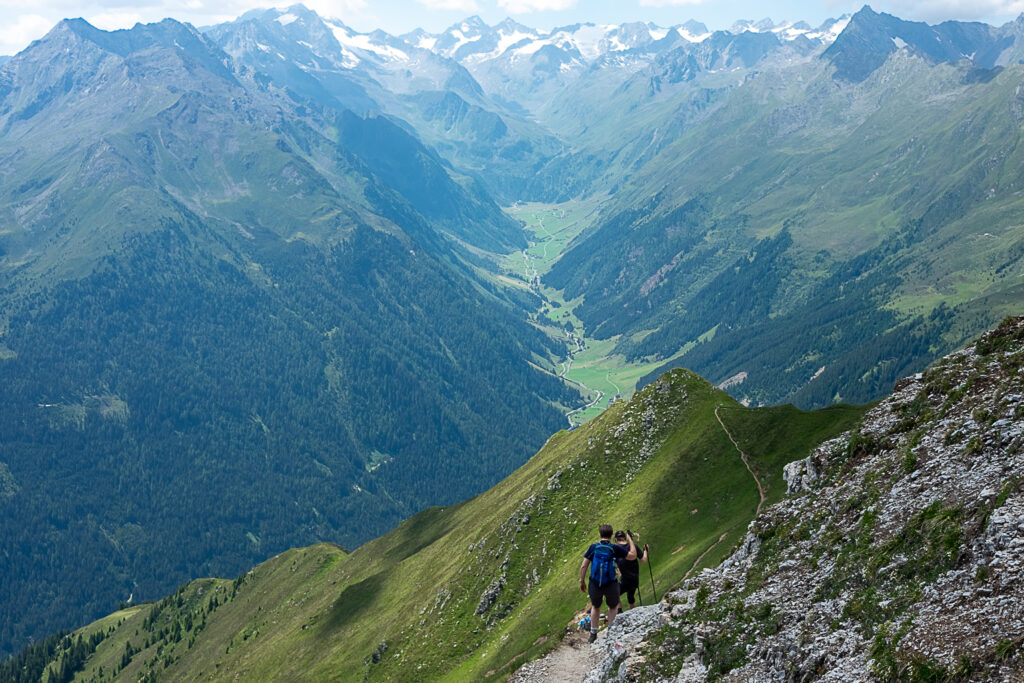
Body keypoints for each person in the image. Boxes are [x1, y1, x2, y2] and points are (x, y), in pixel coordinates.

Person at [579, 523, 636, 643]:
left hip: (595, 583)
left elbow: (584, 565)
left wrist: (582, 581)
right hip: (611, 583)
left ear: (600, 534)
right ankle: (610, 632)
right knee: (613, 606)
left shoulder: (593, 547)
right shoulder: (614, 548)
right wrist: (630, 540)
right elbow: (633, 556)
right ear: (611, 535)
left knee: (596, 606)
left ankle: (593, 633)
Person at [614, 530, 649, 610]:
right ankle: (633, 614)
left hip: (625, 579)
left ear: (616, 539)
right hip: (634, 579)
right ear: (625, 538)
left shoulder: (616, 549)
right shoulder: (634, 547)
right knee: (631, 597)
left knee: (615, 594)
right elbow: (643, 560)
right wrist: (645, 551)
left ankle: (620, 613)